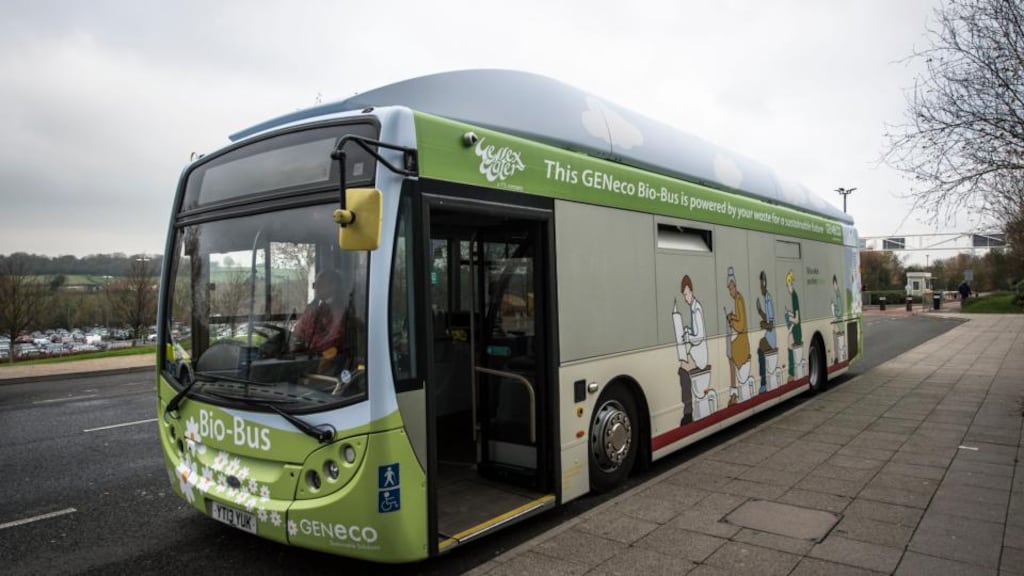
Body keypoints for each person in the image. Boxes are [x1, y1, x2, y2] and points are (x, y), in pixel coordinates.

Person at [292, 268, 346, 372]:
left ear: (333, 286)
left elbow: (334, 340)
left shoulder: (340, 310)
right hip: (306, 357)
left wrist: (310, 347)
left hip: (327, 363)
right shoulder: (312, 307)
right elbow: (299, 330)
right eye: (315, 285)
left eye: (319, 285)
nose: (316, 289)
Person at [677, 275, 707, 426]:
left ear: (691, 291)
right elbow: (697, 332)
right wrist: (689, 331)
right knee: (682, 366)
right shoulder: (693, 307)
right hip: (697, 351)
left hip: (700, 354)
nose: (685, 298)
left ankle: (688, 411)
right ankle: (688, 409)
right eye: (684, 295)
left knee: (682, 369)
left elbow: (700, 336)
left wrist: (689, 337)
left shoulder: (696, 309)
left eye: (686, 294)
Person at [725, 267, 750, 405]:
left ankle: (734, 393)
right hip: (740, 338)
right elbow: (739, 317)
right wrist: (732, 316)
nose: (730, 291)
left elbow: (741, 325)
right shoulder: (737, 299)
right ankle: (733, 392)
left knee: (730, 355)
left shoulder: (739, 300)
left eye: (731, 288)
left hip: (742, 340)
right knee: (729, 354)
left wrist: (731, 321)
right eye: (729, 289)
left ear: (735, 286)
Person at [755, 271, 776, 393]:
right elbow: (767, 317)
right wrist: (759, 311)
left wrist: (763, 325)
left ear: (765, 284)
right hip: (768, 336)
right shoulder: (766, 298)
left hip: (771, 338)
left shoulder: (768, 299)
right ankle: (764, 381)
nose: (760, 287)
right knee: (760, 345)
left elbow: (771, 324)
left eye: (761, 284)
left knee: (760, 350)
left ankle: (763, 383)